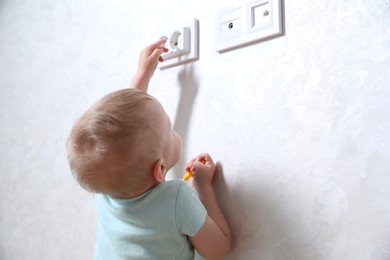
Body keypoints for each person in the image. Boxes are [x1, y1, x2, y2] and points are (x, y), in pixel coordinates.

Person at [67, 39, 231, 259]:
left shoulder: (105, 189)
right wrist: (203, 187)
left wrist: (142, 75)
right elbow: (218, 249)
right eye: (170, 129)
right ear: (160, 169)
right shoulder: (178, 198)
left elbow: (124, 129)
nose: (174, 132)